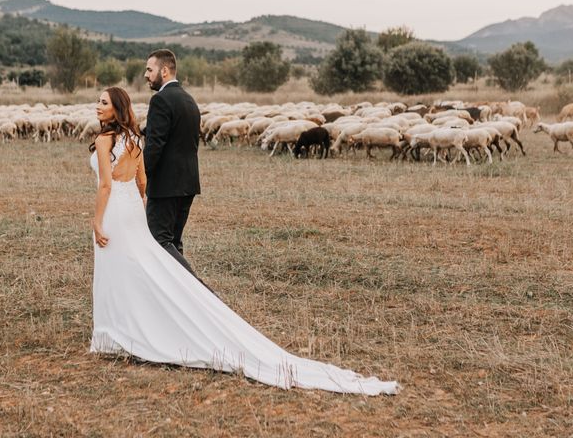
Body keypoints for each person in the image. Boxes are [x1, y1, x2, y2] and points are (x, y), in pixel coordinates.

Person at [89, 86, 398, 395]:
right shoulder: (135, 139)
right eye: (99, 102)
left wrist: (97, 219)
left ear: (117, 108)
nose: (98, 106)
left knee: (117, 269)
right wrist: (136, 207)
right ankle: (126, 328)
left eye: (104, 102)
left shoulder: (106, 141)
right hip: (131, 207)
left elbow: (105, 186)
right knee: (138, 267)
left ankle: (113, 332)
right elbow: (142, 182)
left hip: (115, 209)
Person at [143, 49, 200, 280]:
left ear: (164, 71)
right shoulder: (188, 99)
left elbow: (155, 145)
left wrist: (140, 177)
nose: (146, 75)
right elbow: (173, 134)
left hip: (166, 185)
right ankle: (179, 297)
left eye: (149, 69)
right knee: (174, 243)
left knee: (159, 240)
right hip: (188, 183)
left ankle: (198, 290)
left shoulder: (160, 99)